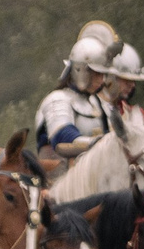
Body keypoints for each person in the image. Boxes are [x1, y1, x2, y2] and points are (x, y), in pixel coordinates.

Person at [33, 19, 122, 179]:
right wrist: (100, 143)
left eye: (103, 74)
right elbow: (62, 136)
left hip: (96, 179)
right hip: (58, 184)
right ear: (81, 70)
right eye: (97, 74)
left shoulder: (100, 103)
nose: (102, 80)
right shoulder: (58, 99)